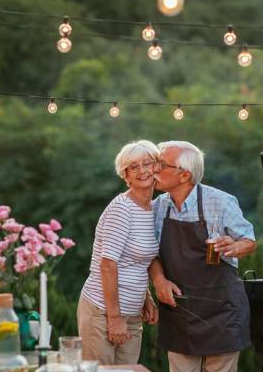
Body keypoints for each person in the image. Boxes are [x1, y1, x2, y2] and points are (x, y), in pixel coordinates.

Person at [149, 140, 256, 372]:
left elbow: (249, 241)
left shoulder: (221, 201)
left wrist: (233, 247)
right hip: (179, 310)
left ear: (184, 175)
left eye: (161, 164)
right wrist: (159, 280)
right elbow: (152, 254)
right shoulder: (157, 206)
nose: (154, 169)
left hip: (221, 311)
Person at [77, 140, 160, 365]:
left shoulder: (153, 209)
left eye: (147, 163)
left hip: (132, 314)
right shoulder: (122, 209)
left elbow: (138, 261)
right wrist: (114, 318)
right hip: (103, 313)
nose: (142, 171)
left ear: (157, 167)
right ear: (126, 176)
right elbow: (108, 265)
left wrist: (146, 297)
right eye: (134, 167)